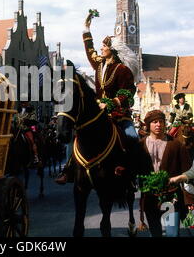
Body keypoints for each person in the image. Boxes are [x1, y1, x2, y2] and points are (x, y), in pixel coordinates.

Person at [55, 10, 140, 184]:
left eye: (104, 46)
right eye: (101, 46)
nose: (101, 48)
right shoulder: (99, 64)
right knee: (78, 134)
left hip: (118, 115)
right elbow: (89, 49)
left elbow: (128, 92)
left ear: (112, 50)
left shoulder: (122, 70)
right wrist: (86, 28)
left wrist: (113, 102)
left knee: (133, 138)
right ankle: (69, 168)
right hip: (98, 113)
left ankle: (134, 174)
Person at [138, 110, 194, 237]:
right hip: (149, 197)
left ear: (165, 124)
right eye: (154, 122)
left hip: (171, 196)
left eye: (161, 122)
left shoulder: (176, 145)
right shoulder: (140, 145)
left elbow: (188, 172)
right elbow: (133, 169)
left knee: (172, 233)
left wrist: (190, 199)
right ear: (148, 125)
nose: (158, 124)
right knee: (156, 233)